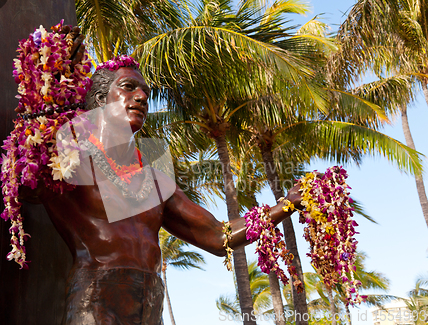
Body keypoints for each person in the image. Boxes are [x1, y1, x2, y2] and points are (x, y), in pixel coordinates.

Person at [22, 57, 304, 325]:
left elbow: (218, 237)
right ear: (99, 100)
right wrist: (51, 79)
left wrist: (287, 204)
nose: (142, 97)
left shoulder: (155, 180)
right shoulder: (70, 161)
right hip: (95, 300)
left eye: (145, 91)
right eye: (128, 87)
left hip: (150, 303)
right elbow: (25, 182)